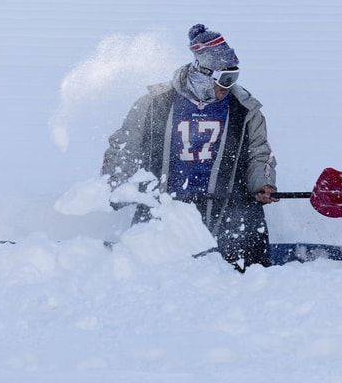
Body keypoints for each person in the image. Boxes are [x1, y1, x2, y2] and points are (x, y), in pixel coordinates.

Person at [101, 23, 278, 271]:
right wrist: (116, 183)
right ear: (203, 74)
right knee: (154, 278)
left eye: (233, 77)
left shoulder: (245, 110)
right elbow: (125, 146)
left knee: (239, 281)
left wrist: (262, 184)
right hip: (165, 209)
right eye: (225, 78)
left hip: (227, 209)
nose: (228, 86)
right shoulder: (155, 104)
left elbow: (260, 154)